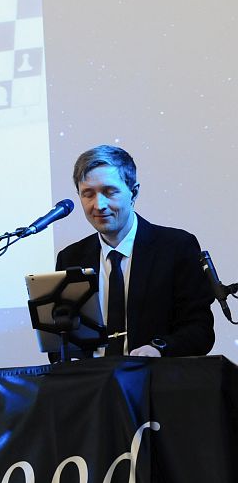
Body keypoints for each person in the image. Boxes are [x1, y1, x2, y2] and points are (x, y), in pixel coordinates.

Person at [55, 145, 214, 357]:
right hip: (92, 377)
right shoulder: (70, 258)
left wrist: (158, 349)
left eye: (109, 192)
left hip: (155, 374)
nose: (99, 205)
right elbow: (59, 342)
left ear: (134, 192)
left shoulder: (176, 247)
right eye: (88, 194)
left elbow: (200, 330)